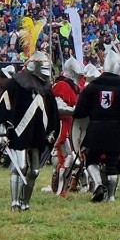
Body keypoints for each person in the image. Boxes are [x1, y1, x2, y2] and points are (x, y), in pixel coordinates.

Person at [72, 51, 120, 202]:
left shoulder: (92, 87)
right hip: (117, 131)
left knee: (92, 160)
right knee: (113, 163)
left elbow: (79, 112)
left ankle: (98, 184)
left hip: (95, 129)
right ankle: (110, 197)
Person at [0, 52, 60, 211]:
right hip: (19, 132)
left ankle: (26, 203)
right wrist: (2, 132)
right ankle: (15, 202)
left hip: (37, 133)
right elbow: (4, 107)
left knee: (35, 171)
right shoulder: (15, 83)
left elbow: (52, 112)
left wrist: (52, 130)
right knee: (21, 167)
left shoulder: (46, 87)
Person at [50, 57, 83, 195]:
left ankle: (67, 185)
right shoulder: (62, 85)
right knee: (67, 158)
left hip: (72, 126)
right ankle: (60, 189)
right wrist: (78, 110)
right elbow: (58, 108)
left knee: (73, 159)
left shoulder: (74, 88)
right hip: (61, 125)